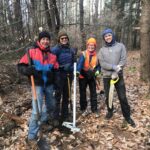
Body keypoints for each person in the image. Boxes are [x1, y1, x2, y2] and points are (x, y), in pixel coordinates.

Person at [18, 31, 59, 144]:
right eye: (43, 39)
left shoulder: (52, 55)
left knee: (51, 105)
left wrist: (57, 83)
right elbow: (20, 66)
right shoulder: (31, 52)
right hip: (37, 85)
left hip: (49, 84)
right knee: (37, 110)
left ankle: (43, 121)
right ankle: (31, 136)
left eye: (47, 39)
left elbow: (56, 70)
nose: (45, 41)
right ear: (39, 40)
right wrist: (27, 70)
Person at [98, 28, 136, 127]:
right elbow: (102, 63)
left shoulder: (120, 46)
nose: (108, 37)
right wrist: (113, 67)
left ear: (112, 35)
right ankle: (110, 111)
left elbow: (123, 60)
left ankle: (127, 116)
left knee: (122, 96)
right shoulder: (102, 50)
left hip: (118, 76)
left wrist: (117, 69)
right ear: (104, 38)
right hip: (107, 77)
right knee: (108, 96)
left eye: (109, 35)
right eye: (106, 36)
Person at [51, 31, 75, 122]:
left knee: (66, 96)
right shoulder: (55, 50)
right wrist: (61, 67)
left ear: (68, 39)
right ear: (59, 40)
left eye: (66, 38)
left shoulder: (71, 50)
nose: (64, 40)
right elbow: (52, 63)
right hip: (59, 77)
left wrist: (71, 67)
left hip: (69, 76)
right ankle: (55, 117)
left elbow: (74, 62)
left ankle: (64, 115)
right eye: (62, 38)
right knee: (57, 97)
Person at [77, 38, 100, 117]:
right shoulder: (83, 54)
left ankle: (94, 109)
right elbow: (80, 64)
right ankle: (83, 108)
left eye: (93, 45)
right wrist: (77, 71)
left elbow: (98, 66)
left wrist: (97, 71)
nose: (91, 47)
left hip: (92, 76)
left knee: (93, 93)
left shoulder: (97, 56)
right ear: (87, 45)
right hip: (83, 75)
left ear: (95, 46)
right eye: (90, 45)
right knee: (82, 93)